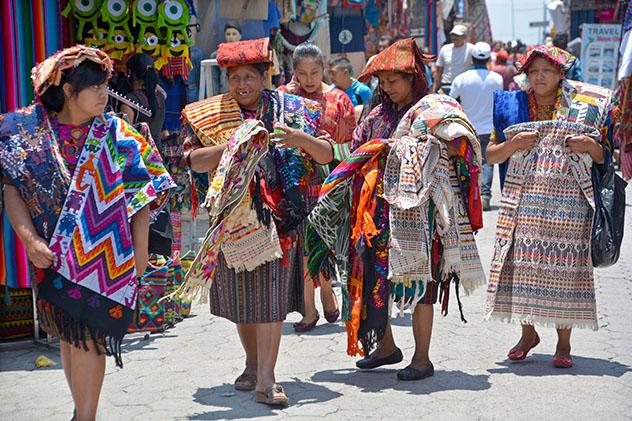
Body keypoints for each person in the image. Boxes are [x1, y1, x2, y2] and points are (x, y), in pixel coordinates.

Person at [0, 45, 174, 420]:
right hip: (56, 258)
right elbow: (12, 188)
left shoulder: (118, 133)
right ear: (65, 89)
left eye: (105, 85)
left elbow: (143, 195)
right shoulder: (27, 134)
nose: (104, 94)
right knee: (70, 336)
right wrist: (30, 241)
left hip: (107, 262)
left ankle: (85, 416)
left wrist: (140, 253)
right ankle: (82, 412)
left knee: (92, 339)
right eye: (95, 86)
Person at [307, 38, 485, 381]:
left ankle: (422, 358)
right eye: (382, 83)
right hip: (379, 214)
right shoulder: (375, 117)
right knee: (376, 280)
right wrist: (316, 147)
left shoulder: (434, 111)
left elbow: (460, 150)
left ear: (413, 78)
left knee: (423, 284)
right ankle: (386, 347)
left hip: (424, 216)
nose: (387, 89)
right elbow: (353, 152)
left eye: (394, 82)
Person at [179, 37, 334, 406]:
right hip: (233, 221)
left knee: (270, 299)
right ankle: (252, 363)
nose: (242, 85)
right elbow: (193, 161)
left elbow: (327, 154)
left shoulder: (292, 110)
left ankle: (267, 379)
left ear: (266, 76)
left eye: (250, 76)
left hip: (282, 219)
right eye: (235, 78)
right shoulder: (210, 116)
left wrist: (300, 139)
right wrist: (234, 146)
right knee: (242, 299)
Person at [485, 46, 618, 368]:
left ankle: (563, 345)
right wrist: (512, 144)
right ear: (526, 76)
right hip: (523, 203)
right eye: (534, 71)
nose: (539, 76)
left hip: (571, 206)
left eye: (547, 70)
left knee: (567, 271)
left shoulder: (584, 108)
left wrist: (591, 147)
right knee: (521, 269)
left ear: (561, 75)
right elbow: (490, 155)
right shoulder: (511, 105)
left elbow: (605, 158)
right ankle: (528, 334)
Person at [277, 42, 356, 332]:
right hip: (293, 184)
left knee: (323, 243)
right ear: (293, 72)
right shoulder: (283, 97)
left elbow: (348, 147)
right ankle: (309, 309)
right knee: (302, 248)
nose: (309, 79)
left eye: (314, 72)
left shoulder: (339, 100)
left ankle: (326, 291)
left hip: (329, 182)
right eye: (302, 73)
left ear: (324, 69)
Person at [120, 53, 172, 256]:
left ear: (130, 74)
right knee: (158, 211)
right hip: (159, 158)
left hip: (140, 160)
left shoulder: (130, 101)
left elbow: (126, 134)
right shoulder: (159, 97)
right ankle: (159, 260)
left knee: (141, 210)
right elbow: (161, 90)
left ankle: (141, 261)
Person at [450, 42, 503, 211]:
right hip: (489, 127)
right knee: (487, 162)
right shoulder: (497, 79)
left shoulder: (461, 79)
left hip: (467, 128)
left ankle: (468, 196)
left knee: (467, 161)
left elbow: (452, 100)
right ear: (488, 59)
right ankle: (485, 196)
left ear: (472, 58)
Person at [433, 24, 474, 94]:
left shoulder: (471, 49)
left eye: (457, 35)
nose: (454, 37)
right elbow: (439, 70)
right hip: (446, 85)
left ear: (464, 37)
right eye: (453, 35)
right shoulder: (445, 49)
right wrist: (435, 87)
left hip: (463, 86)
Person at [210, 23, 242, 95]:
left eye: (234, 34)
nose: (231, 37)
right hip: (224, 93)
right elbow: (214, 79)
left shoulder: (247, 55)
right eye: (228, 34)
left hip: (242, 92)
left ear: (240, 36)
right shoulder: (216, 55)